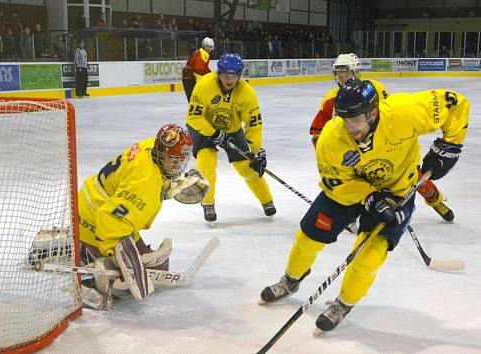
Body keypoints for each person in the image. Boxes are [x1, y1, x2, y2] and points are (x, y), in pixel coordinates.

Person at [259, 78, 469, 332]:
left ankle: (343, 303)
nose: (349, 128)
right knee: (309, 236)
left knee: (369, 254)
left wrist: (450, 145)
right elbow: (336, 182)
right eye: (344, 119)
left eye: (355, 120)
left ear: (373, 113)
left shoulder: (404, 112)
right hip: (348, 192)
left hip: (397, 191)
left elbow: (455, 104)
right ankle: (290, 280)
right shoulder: (332, 138)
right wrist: (369, 197)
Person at [310, 53, 454, 223]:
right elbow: (318, 133)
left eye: (347, 73)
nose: (342, 78)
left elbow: (392, 119)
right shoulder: (330, 100)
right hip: (358, 156)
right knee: (359, 187)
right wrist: (334, 159)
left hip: (389, 149)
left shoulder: (375, 89)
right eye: (339, 74)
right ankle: (354, 214)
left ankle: (436, 202)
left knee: (416, 178)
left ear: (357, 72)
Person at [77, 123, 208, 308]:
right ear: (161, 154)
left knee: (154, 264)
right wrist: (115, 257)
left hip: (92, 199)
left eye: (180, 160)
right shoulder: (145, 186)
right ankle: (91, 268)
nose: (177, 165)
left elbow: (139, 179)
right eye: (173, 160)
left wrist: (172, 185)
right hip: (94, 218)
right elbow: (109, 219)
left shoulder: (149, 147)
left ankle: (88, 249)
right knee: (150, 271)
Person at [186, 52, 275, 224]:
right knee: (207, 164)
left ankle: (267, 200)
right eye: (226, 75)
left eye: (234, 76)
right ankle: (208, 203)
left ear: (240, 76)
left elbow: (254, 124)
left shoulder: (247, 93)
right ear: (218, 73)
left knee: (247, 167)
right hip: (204, 128)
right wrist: (214, 134)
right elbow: (193, 118)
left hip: (232, 130)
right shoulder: (204, 86)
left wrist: (256, 151)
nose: (229, 79)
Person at [181, 37, 214, 102]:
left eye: (211, 47)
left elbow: (205, 69)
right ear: (204, 46)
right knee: (193, 100)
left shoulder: (202, 53)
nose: (210, 49)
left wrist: (212, 75)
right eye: (208, 46)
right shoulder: (202, 54)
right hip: (189, 79)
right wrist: (201, 84)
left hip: (188, 78)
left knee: (195, 99)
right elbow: (198, 71)